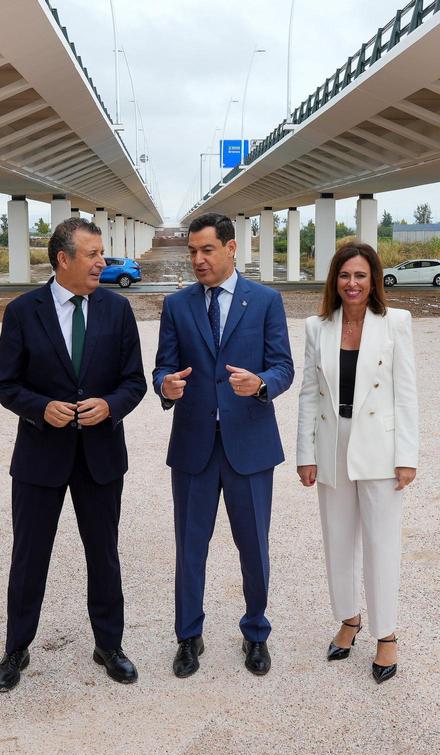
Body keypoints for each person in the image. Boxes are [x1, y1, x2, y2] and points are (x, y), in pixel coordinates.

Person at [0, 217, 147, 691]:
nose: (104, 261)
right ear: (64, 259)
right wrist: (40, 409)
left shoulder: (118, 311)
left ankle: (109, 645)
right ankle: (16, 649)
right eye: (94, 253)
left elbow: (134, 382)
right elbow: (6, 385)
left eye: (103, 253)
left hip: (100, 457)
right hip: (41, 458)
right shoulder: (22, 311)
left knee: (104, 554)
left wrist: (110, 406)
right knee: (29, 555)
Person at [153, 212, 294, 678]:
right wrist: (165, 386)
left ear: (231, 248)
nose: (197, 259)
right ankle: (188, 637)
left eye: (206, 250)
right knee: (190, 548)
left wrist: (260, 384)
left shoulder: (267, 301)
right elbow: (162, 368)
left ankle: (256, 633)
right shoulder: (177, 306)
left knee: (253, 547)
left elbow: (283, 367)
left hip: (249, 448)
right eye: (192, 250)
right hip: (194, 447)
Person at [295, 242, 419, 684]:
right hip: (333, 442)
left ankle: (387, 634)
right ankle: (349, 618)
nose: (352, 283)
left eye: (360, 276)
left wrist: (407, 457)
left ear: (374, 280)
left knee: (382, 543)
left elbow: (406, 393)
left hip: (380, 448)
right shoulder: (317, 326)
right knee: (337, 539)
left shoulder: (395, 324)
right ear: (335, 279)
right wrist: (305, 454)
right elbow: (309, 394)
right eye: (345, 275)